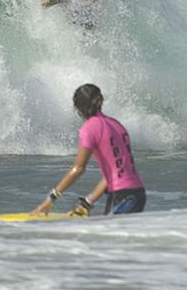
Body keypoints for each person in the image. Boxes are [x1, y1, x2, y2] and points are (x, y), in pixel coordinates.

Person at [32, 84, 146, 217]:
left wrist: (51, 199)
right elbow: (115, 172)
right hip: (137, 194)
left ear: (78, 108)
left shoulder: (89, 128)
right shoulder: (116, 124)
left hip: (123, 196)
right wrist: (87, 203)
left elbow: (78, 168)